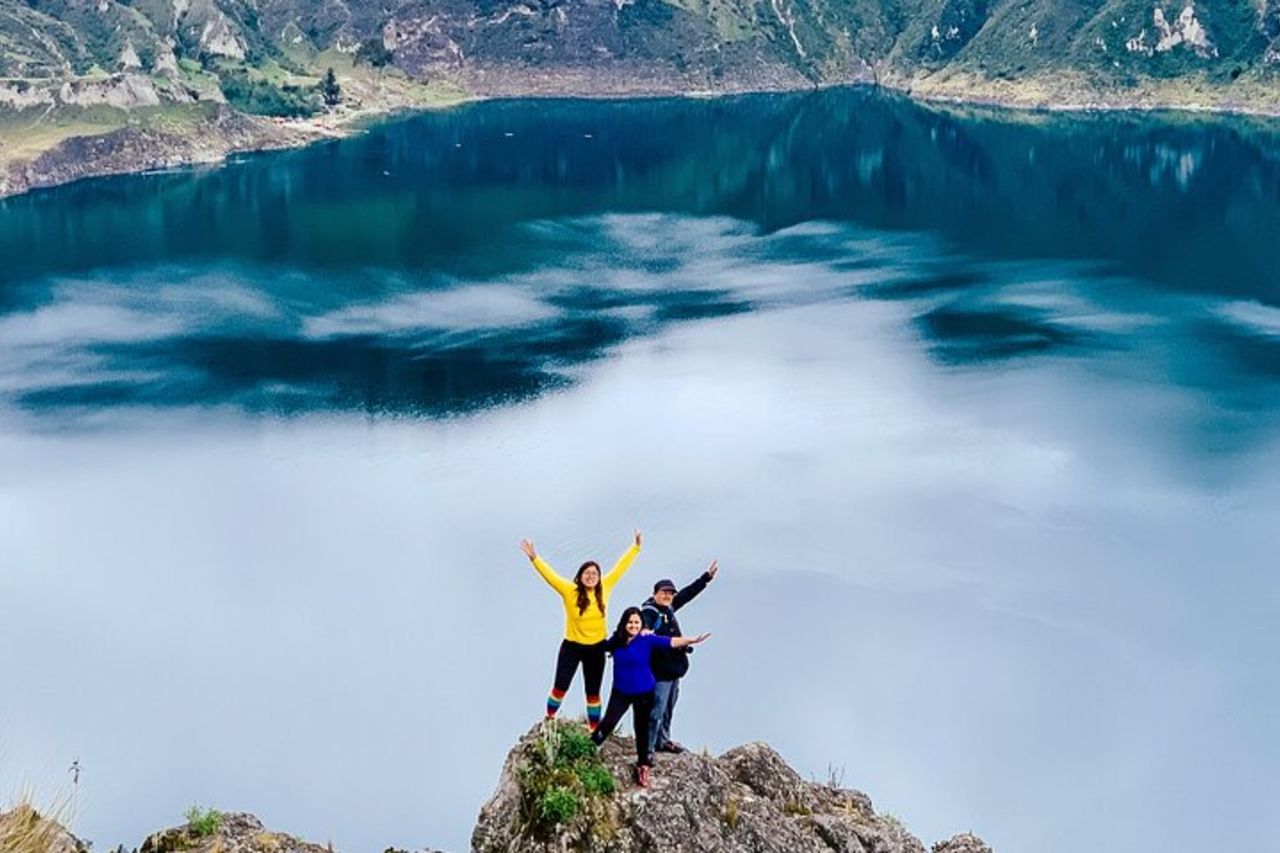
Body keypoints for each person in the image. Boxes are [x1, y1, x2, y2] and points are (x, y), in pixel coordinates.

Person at [520, 531, 641, 732]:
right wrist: (534, 558)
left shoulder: (605, 588)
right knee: (560, 687)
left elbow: (621, 568)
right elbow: (550, 577)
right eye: (587, 573)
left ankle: (594, 729)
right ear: (580, 576)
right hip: (572, 647)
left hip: (596, 648)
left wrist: (635, 547)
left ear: (599, 577)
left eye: (595, 574)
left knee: (593, 693)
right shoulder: (570, 591)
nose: (591, 576)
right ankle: (549, 719)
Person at [591, 606, 710, 786]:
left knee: (642, 729)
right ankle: (589, 748)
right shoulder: (616, 641)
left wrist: (692, 640)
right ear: (624, 624)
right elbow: (598, 648)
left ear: (641, 624)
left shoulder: (647, 639)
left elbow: (669, 641)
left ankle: (643, 767)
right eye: (630, 622)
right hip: (621, 691)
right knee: (608, 722)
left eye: (636, 622)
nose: (633, 625)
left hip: (644, 691)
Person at [641, 559, 718, 755]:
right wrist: (646, 631)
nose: (668, 596)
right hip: (660, 672)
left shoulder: (668, 608)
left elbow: (686, 594)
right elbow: (645, 627)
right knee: (656, 711)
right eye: (664, 592)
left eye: (670, 593)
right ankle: (648, 747)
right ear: (654, 594)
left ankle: (663, 740)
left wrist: (705, 578)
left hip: (674, 669)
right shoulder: (649, 612)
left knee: (668, 708)